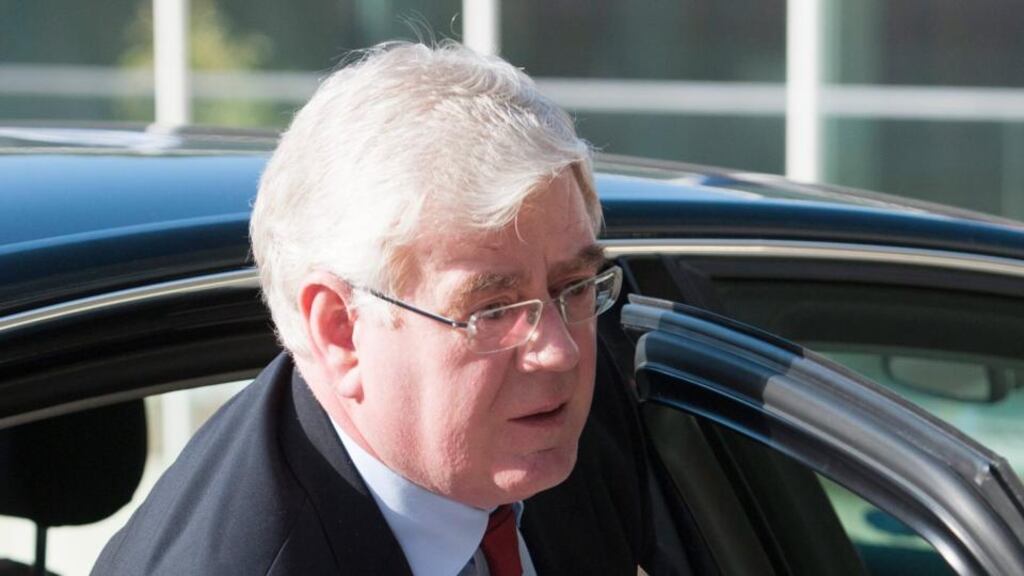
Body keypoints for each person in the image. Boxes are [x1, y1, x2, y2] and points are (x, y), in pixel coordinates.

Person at [93, 41, 653, 575]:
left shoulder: (581, 415)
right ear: (341, 332)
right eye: (494, 310)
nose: (558, 350)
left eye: (573, 285)